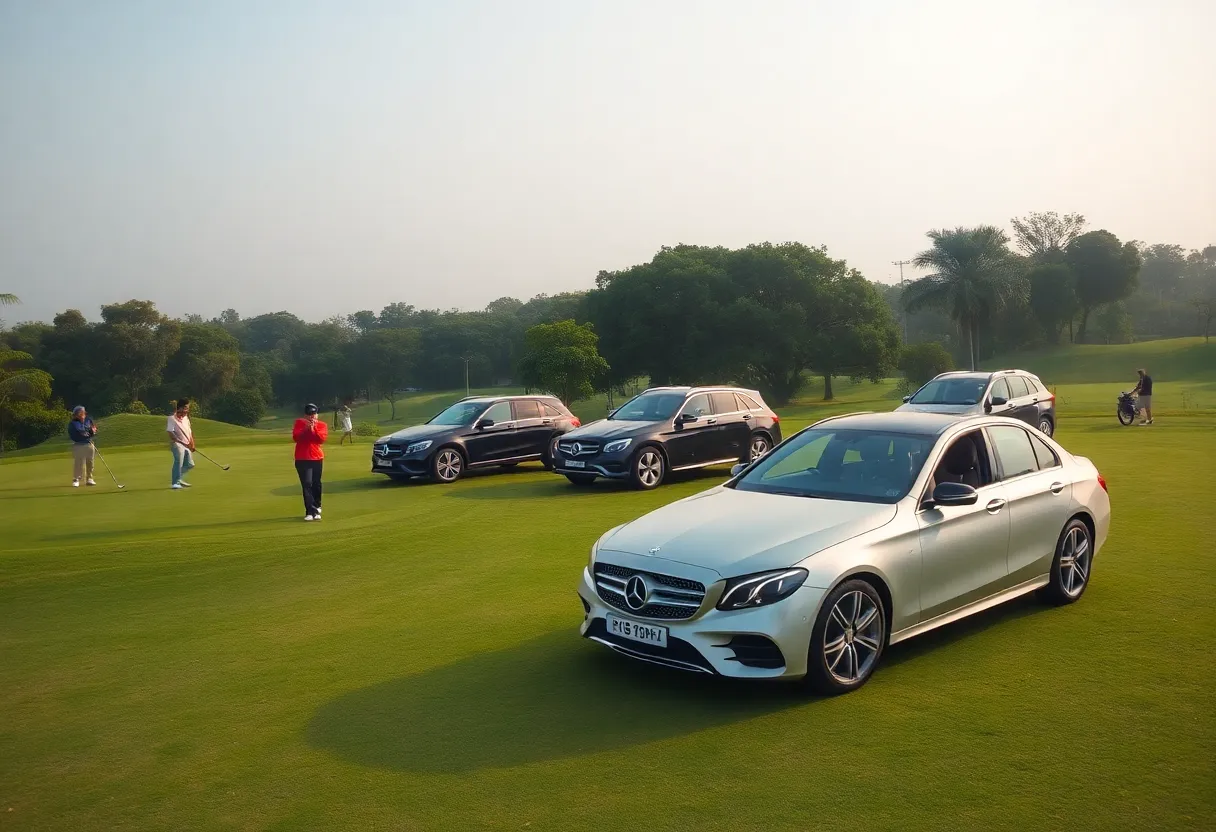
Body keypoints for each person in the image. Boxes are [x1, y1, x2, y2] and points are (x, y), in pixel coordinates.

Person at [293, 403, 328, 521]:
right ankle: (310, 511)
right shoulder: (299, 423)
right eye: (309, 414)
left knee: (316, 483)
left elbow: (320, 440)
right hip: (302, 458)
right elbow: (296, 437)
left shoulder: (322, 425)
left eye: (314, 414)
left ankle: (317, 506)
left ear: (317, 415)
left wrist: (313, 429)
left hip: (317, 458)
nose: (311, 417)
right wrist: (305, 429)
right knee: (307, 484)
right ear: (305, 415)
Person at [167, 398, 196, 489]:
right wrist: (181, 442)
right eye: (186, 408)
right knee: (178, 461)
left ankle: (179, 478)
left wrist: (192, 444)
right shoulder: (171, 419)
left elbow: (189, 432)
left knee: (190, 464)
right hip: (176, 444)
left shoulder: (186, 418)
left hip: (187, 444)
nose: (187, 410)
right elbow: (170, 432)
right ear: (180, 408)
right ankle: (175, 483)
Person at [68, 406, 97, 487]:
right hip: (78, 444)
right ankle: (76, 479)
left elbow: (93, 429)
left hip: (89, 444)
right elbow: (77, 433)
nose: (78, 415)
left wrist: (92, 432)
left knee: (90, 462)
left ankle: (89, 479)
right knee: (78, 463)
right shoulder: (73, 423)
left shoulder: (88, 420)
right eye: (77, 414)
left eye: (81, 413)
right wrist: (88, 433)